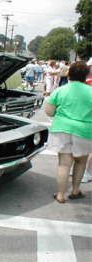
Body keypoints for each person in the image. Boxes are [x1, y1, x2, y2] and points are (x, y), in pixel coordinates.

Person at [45, 61, 92, 203]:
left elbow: (49, 111)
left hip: (62, 128)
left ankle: (60, 195)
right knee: (80, 162)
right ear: (86, 75)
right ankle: (75, 191)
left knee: (64, 164)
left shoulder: (60, 90)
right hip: (84, 130)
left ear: (69, 73)